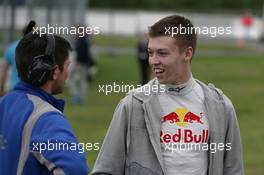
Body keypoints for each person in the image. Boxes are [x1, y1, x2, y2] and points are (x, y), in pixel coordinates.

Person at [92, 15, 244, 175]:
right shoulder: (133, 104)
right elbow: (105, 170)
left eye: (162, 53)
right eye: (151, 53)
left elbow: (234, 170)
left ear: (187, 54)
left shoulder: (220, 106)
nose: (153, 61)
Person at [0, 24, 89, 174]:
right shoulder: (47, 119)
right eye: (67, 66)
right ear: (54, 72)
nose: (68, 73)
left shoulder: (4, 104)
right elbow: (75, 169)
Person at [0, 21, 36, 96]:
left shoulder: (12, 47)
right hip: (33, 90)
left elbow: (4, 72)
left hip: (14, 88)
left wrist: (1, 89)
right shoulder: (38, 49)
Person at [68, 26, 96, 104]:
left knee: (76, 80)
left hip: (79, 64)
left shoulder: (81, 41)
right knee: (81, 80)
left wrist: (78, 62)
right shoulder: (84, 40)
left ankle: (78, 97)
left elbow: (82, 53)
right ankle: (80, 97)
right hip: (83, 63)